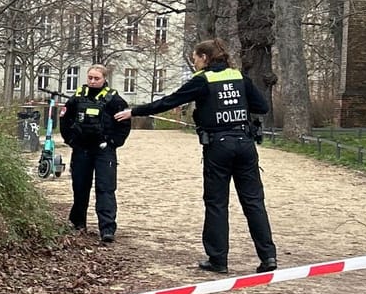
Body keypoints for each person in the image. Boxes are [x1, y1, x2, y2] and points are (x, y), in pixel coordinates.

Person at [115, 37, 276, 274]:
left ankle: (218, 259)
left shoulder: (202, 81)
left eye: (195, 59)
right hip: (245, 143)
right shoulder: (239, 77)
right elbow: (261, 106)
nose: (195, 64)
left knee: (216, 203)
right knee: (253, 202)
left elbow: (170, 101)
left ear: (205, 58)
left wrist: (135, 111)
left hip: (218, 146)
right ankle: (268, 257)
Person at [58, 63, 131, 241]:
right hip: (81, 149)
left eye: (96, 78)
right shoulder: (77, 98)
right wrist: (71, 140)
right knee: (80, 187)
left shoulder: (114, 100)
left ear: (104, 79)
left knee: (105, 188)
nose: (92, 81)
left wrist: (113, 142)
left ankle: (107, 229)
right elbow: (65, 118)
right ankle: (77, 223)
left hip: (104, 150)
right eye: (90, 78)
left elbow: (124, 124)